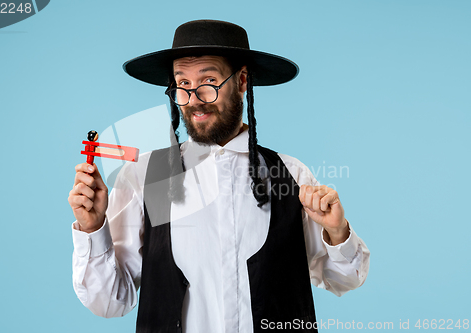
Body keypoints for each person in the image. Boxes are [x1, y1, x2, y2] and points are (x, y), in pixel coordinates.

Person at [68, 20, 370, 333]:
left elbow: (344, 280)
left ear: (241, 81)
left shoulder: (291, 175)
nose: (195, 98)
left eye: (208, 80)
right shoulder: (146, 177)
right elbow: (110, 302)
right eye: (182, 84)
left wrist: (337, 232)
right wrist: (92, 229)